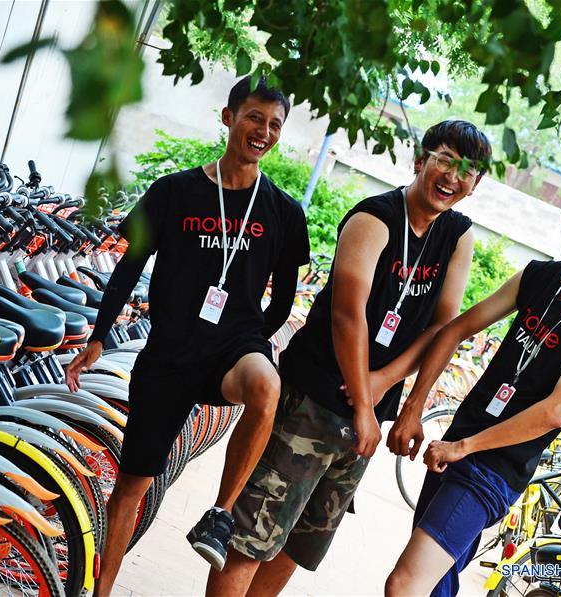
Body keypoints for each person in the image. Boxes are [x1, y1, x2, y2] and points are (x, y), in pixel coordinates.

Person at [207, 120, 492, 596]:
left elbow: (442, 327)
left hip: (367, 415)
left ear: (476, 183)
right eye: (444, 160)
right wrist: (364, 401)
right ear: (420, 161)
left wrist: (391, 390)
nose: (453, 176)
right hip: (312, 399)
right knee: (252, 538)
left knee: (301, 545)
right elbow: (346, 314)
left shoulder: (457, 235)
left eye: (468, 170)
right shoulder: (373, 218)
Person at [64, 76, 311, 595]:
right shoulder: (175, 191)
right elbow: (129, 267)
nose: (262, 131)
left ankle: (220, 516)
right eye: (253, 118)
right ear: (227, 118)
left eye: (274, 124)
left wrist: (256, 338)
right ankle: (102, 589)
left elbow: (285, 298)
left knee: (266, 385)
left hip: (233, 348)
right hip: (170, 352)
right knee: (133, 484)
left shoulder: (285, 212)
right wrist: (99, 336)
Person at [384, 178, 561, 596]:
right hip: (454, 448)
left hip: (492, 469)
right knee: (433, 586)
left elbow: (556, 411)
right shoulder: (539, 277)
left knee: (405, 584)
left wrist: (466, 448)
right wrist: (413, 408)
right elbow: (455, 330)